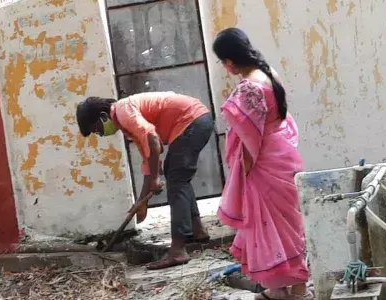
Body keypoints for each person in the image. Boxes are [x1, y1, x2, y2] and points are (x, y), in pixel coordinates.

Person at [212, 28, 313, 300]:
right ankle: (299, 290)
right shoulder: (269, 73)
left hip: (263, 162)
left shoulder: (249, 87)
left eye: (223, 62)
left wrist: (240, 174)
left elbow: (250, 138)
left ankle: (278, 291)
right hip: (285, 156)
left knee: (267, 227)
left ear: (229, 61)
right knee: (291, 226)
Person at [76, 92, 214, 270]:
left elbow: (152, 138)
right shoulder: (126, 123)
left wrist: (156, 178)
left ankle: (178, 250)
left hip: (192, 120)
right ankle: (198, 231)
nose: (100, 135)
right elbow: (149, 163)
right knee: (177, 175)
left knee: (177, 180)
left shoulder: (125, 112)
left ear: (103, 117)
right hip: (195, 119)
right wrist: (142, 203)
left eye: (97, 130)